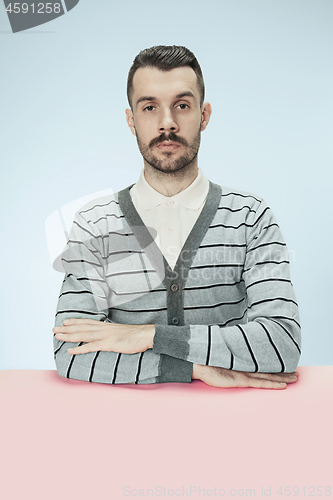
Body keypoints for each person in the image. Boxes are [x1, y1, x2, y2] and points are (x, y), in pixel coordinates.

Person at [53, 45, 301, 389]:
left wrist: (149, 335)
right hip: (123, 428)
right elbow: (70, 350)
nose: (167, 123)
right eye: (150, 107)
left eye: (182, 106)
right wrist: (194, 368)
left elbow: (280, 343)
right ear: (131, 120)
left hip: (233, 424)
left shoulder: (251, 218)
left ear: (204, 115)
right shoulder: (94, 224)